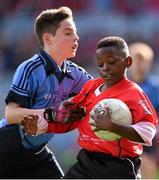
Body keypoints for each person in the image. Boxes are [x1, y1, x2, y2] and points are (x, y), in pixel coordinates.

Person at [21, 36, 157, 179]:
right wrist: (42, 125)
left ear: (127, 62)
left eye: (111, 62)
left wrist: (112, 126)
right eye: (100, 64)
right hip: (87, 162)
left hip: (119, 167)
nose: (105, 67)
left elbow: (148, 132)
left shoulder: (133, 92)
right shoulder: (91, 87)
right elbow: (71, 118)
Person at [0, 6, 92, 179]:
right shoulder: (29, 68)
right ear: (48, 38)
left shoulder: (75, 73)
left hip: (37, 152)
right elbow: (11, 114)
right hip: (7, 147)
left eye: (75, 33)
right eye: (68, 33)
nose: (76, 37)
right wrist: (51, 113)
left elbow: (98, 93)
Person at [128, 42, 159, 179]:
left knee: (147, 170)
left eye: (143, 61)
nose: (139, 65)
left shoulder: (155, 88)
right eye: (136, 60)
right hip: (124, 137)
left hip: (148, 139)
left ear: (149, 63)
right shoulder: (121, 86)